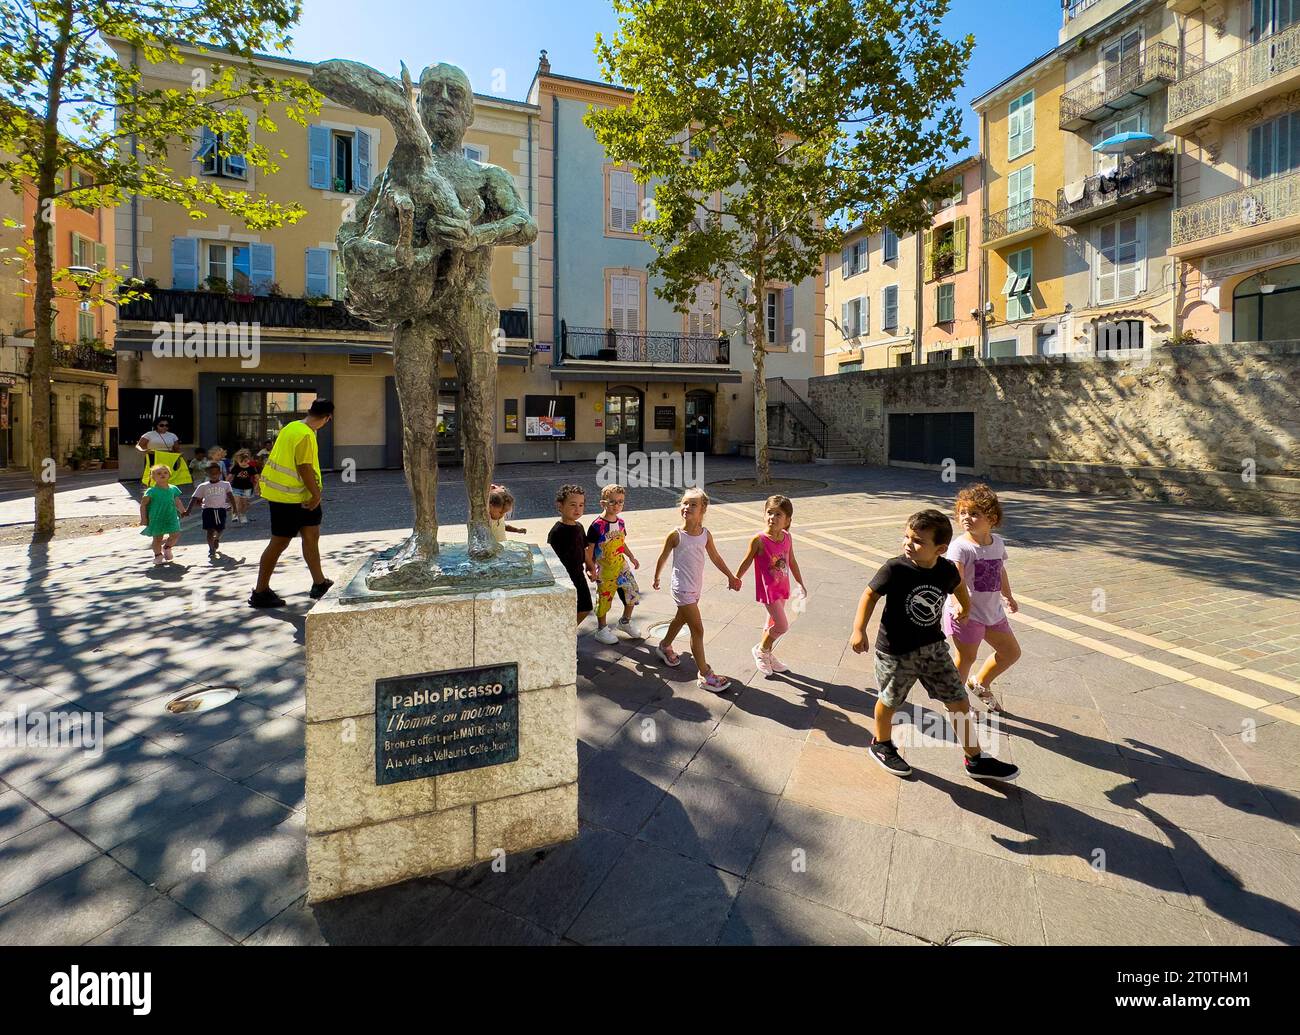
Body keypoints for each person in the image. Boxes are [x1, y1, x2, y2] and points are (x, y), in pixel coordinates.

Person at [849, 509, 1019, 782]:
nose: (908, 544)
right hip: (896, 652)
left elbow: (959, 585)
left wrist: (964, 605)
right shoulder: (895, 568)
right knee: (890, 700)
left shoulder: (946, 569)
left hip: (933, 647)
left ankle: (975, 759)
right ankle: (881, 744)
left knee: (958, 700)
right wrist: (859, 630)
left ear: (940, 548)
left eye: (917, 541)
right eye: (906, 537)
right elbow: (870, 595)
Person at [652, 487, 742, 693]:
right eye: (684, 503)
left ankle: (664, 646)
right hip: (681, 588)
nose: (687, 507)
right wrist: (657, 576)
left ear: (703, 509)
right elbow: (663, 557)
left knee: (680, 619)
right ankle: (704, 674)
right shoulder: (676, 535)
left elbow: (716, 557)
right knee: (698, 629)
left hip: (695, 587)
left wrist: (730, 575)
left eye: (693, 504)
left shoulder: (705, 534)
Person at [249, 399, 335, 608]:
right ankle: (260, 591)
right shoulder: (305, 434)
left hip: (293, 496)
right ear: (327, 418)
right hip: (292, 498)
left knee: (311, 535)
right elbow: (304, 466)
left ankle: (319, 582)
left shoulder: (292, 427)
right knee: (279, 542)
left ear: (309, 411)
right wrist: (316, 495)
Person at [945, 484, 1021, 713]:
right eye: (963, 513)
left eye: (974, 513)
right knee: (966, 658)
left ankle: (979, 683)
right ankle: (957, 703)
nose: (966, 518)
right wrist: (959, 604)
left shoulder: (997, 542)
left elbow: (1000, 570)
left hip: (993, 613)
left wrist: (1008, 596)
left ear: (992, 518)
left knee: (1011, 653)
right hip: (967, 615)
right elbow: (954, 579)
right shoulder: (960, 547)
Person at [735, 494, 806, 677]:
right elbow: (746, 561)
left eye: (778, 514)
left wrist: (800, 582)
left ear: (787, 520)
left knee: (771, 624)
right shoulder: (759, 540)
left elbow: (792, 561)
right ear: (764, 514)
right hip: (768, 591)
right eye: (770, 513)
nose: (772, 518)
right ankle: (761, 650)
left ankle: (767, 654)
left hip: (783, 588)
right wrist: (736, 578)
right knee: (782, 626)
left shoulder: (787, 537)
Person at [585, 484, 642, 644]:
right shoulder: (597, 526)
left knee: (632, 590)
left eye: (620, 502)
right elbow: (589, 550)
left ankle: (625, 622)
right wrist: (589, 568)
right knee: (604, 598)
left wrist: (631, 557)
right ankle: (602, 629)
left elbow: (621, 543)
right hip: (605, 569)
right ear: (603, 503)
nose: (617, 505)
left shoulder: (621, 523)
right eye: (612, 502)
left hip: (621, 565)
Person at [547, 484, 592, 626]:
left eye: (581, 505)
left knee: (585, 608)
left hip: (578, 575)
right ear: (560, 506)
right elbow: (551, 558)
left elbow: (583, 548)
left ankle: (568, 632)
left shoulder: (579, 527)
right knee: (566, 609)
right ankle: (565, 634)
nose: (577, 509)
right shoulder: (557, 531)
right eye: (573, 505)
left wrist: (590, 565)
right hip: (565, 578)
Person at [139, 463, 184, 564]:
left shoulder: (173, 488)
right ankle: (158, 555)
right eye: (159, 473)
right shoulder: (151, 491)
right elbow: (143, 505)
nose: (162, 474)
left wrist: (182, 511)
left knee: (175, 534)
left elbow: (177, 501)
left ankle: (167, 547)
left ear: (169, 474)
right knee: (158, 538)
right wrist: (144, 518)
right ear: (153, 477)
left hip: (171, 516)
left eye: (165, 472)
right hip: (156, 517)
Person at [186, 462, 232, 560]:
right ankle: (211, 549)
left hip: (221, 510)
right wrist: (188, 510)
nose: (214, 475)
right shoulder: (203, 486)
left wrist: (235, 508)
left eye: (216, 473)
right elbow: (194, 498)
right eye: (211, 473)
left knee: (221, 528)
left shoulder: (225, 484)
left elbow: (231, 497)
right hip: (208, 511)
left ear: (219, 473)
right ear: (207, 474)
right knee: (209, 531)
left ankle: (217, 539)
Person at [228, 449, 260, 525]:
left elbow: (257, 477)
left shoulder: (251, 468)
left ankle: (242, 514)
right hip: (236, 487)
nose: (243, 463)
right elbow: (230, 477)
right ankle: (235, 515)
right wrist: (225, 484)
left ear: (248, 460)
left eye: (245, 461)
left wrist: (257, 486)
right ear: (237, 461)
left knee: (245, 503)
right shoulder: (236, 467)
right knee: (237, 502)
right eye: (241, 461)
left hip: (247, 488)